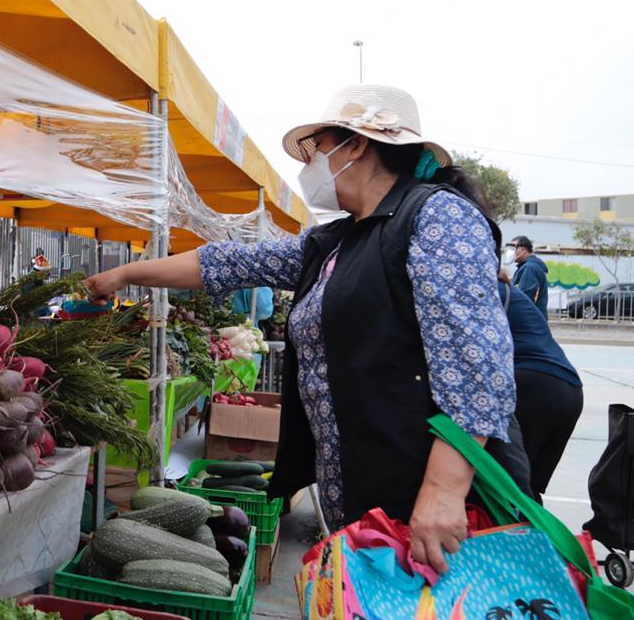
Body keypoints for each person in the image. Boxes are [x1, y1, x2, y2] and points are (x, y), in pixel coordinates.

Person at [85, 84, 520, 573]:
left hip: (423, 505)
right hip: (359, 497)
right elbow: (226, 263)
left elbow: (477, 364)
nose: (310, 164)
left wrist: (444, 492)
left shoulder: (437, 216)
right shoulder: (336, 241)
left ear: (356, 145)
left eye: (318, 148)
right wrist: (125, 274)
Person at [497, 268, 584, 498]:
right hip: (570, 390)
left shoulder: (484, 292)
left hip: (533, 385)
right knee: (529, 490)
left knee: (508, 486)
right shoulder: (510, 292)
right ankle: (535, 534)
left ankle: (514, 533)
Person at [508, 235, 550, 317]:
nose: (511, 253)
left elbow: (525, 298)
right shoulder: (528, 266)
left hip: (530, 321)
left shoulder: (529, 268)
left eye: (513, 249)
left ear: (522, 250)